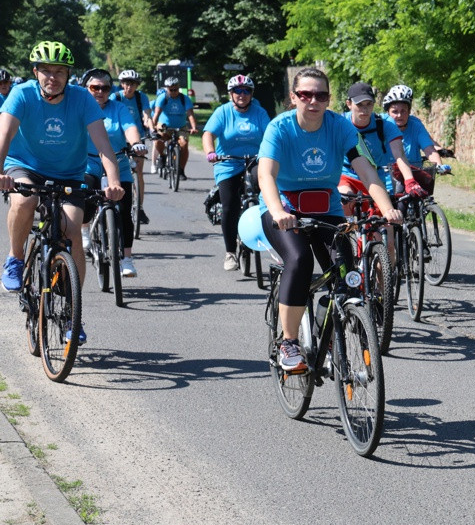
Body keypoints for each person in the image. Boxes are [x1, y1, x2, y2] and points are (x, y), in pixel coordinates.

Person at [257, 68, 403, 373]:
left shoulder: (340, 127)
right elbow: (266, 174)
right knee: (299, 260)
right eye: (305, 94)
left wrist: (386, 209)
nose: (313, 101)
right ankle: (289, 342)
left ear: (329, 99)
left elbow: (366, 171)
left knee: (346, 273)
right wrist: (278, 211)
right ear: (293, 97)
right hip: (283, 208)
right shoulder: (279, 128)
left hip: (326, 208)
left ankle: (333, 327)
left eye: (320, 95)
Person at [0, 41, 123, 344]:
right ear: (35, 72)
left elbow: (103, 144)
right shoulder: (22, 94)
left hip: (68, 173)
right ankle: (15, 258)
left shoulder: (82, 99)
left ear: (69, 75)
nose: (52, 77)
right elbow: (4, 135)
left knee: (70, 228)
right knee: (25, 199)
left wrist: (113, 181)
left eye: (59, 71)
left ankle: (73, 314)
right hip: (24, 166)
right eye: (45, 71)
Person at [80, 68, 147, 277]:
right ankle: (85, 230)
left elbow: (130, 127)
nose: (100, 91)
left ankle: (127, 258)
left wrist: (136, 143)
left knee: (125, 211)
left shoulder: (118, 108)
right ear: (86, 88)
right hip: (88, 165)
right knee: (86, 205)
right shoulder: (79, 108)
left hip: (119, 164)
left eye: (105, 88)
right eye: (94, 87)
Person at [202, 73, 270, 271]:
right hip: (228, 164)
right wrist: (210, 152)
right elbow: (208, 134)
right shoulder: (223, 112)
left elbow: (270, 136)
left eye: (246, 91)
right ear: (231, 94)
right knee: (229, 207)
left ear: (251, 94)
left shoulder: (259, 112)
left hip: (255, 161)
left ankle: (270, 234)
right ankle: (230, 252)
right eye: (238, 91)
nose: (242, 94)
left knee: (268, 190)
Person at [338, 81, 426, 200]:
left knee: (384, 216)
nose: (364, 109)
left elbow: (399, 154)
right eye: (359, 105)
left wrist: (409, 180)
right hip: (348, 174)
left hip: (375, 176)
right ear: (349, 104)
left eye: (369, 104)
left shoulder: (385, 122)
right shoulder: (339, 123)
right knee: (345, 199)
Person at [112, 69, 153, 224]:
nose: (129, 87)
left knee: (138, 172)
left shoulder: (141, 97)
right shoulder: (115, 97)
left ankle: (140, 207)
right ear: (122, 84)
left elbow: (147, 116)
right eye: (127, 84)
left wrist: (152, 129)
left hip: (137, 137)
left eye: (133, 84)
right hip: (119, 138)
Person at [381, 84, 452, 173]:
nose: (399, 115)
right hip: (386, 179)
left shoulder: (416, 126)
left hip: (415, 176)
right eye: (395, 111)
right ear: (388, 112)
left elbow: (429, 150)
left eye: (403, 111)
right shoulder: (380, 124)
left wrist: (439, 165)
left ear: (409, 111)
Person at [151, 76, 198, 179]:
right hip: (165, 125)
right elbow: (156, 114)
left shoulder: (184, 99)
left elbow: (190, 114)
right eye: (170, 90)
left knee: (184, 144)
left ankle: (181, 170)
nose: (173, 92)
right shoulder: (162, 98)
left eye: (175, 89)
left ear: (178, 88)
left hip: (180, 127)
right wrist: (153, 128)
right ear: (166, 89)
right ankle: (162, 157)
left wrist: (193, 127)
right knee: (158, 139)